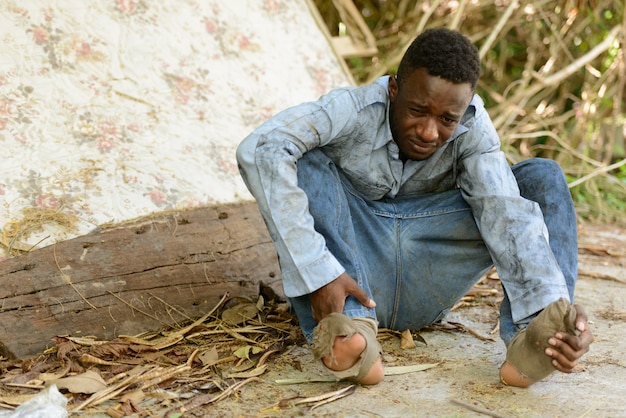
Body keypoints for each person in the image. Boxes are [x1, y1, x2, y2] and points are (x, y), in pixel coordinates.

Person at [236, 27, 593, 386]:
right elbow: (261, 147)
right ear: (393, 88)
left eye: (446, 120)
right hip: (349, 278)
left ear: (464, 111)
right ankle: (349, 333)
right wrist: (318, 270)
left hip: (429, 267)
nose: (428, 132)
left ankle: (542, 337)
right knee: (304, 158)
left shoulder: (473, 128)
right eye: (418, 110)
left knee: (541, 177)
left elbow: (505, 211)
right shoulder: (350, 109)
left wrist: (551, 299)